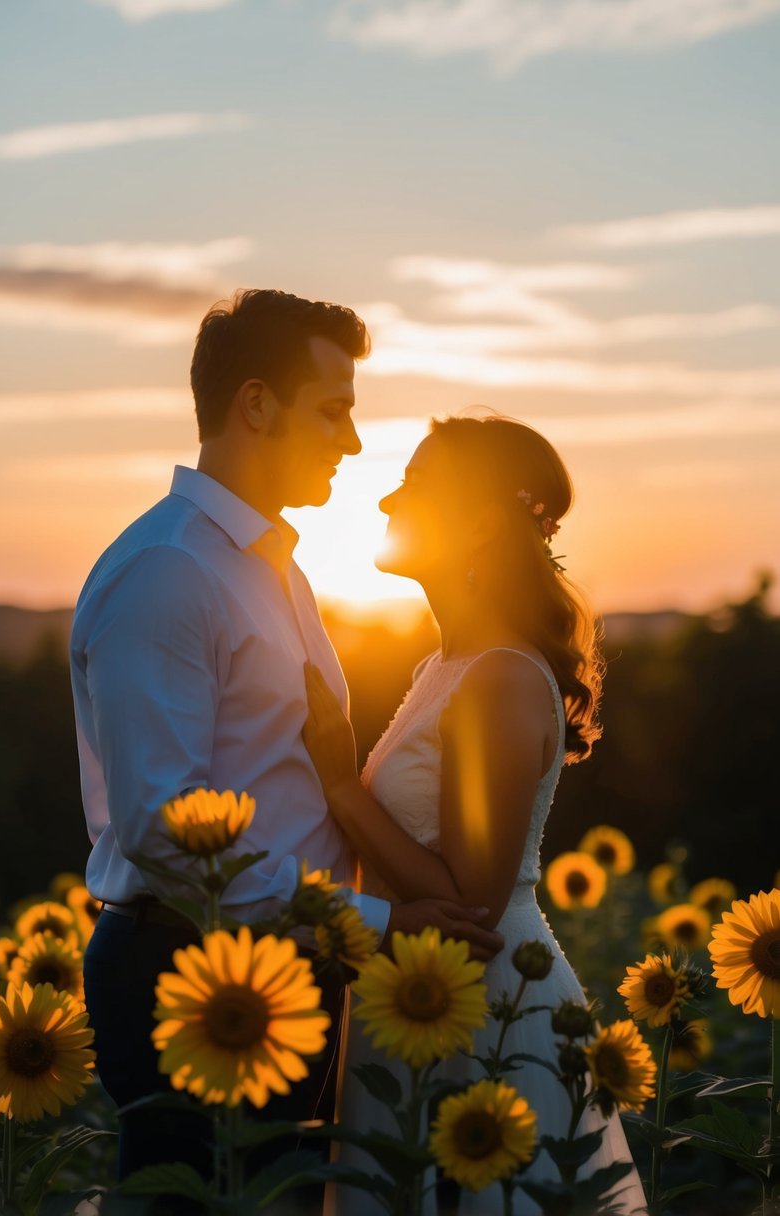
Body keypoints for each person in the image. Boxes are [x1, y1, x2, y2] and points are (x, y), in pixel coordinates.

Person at [69, 290, 503, 1207]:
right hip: (188, 970)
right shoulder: (169, 571)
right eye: (333, 409)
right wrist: (378, 929)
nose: (350, 441)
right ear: (255, 404)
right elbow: (162, 827)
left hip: (279, 963)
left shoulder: (274, 568)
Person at [302, 414, 648, 1214]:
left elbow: (472, 900)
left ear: (483, 524)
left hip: (483, 1010)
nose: (387, 497)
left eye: (416, 484)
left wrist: (340, 783)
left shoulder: (495, 677)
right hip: (423, 996)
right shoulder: (445, 666)